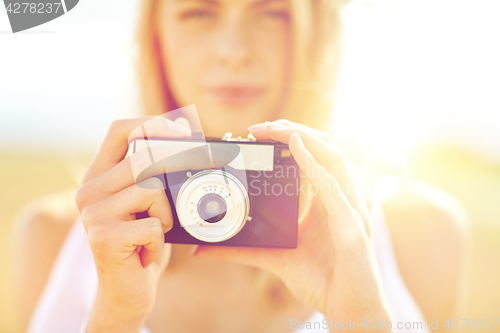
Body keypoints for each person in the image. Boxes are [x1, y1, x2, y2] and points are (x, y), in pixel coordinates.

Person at [13, 0, 470, 332]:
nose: (234, 49)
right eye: (198, 11)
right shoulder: (55, 238)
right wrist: (114, 317)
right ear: (156, 37)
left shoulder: (423, 234)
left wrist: (362, 324)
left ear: (317, 33)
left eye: (272, 11)